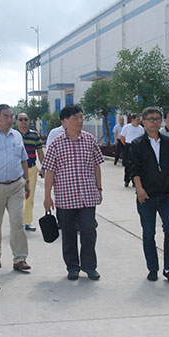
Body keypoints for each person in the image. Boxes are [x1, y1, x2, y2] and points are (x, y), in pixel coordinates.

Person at [43, 104, 104, 281]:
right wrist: (47, 196)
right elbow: (50, 172)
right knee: (68, 235)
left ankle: (89, 266)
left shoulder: (89, 139)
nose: (79, 121)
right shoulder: (56, 143)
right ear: (64, 121)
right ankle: (72, 267)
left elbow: (96, 165)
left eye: (81, 117)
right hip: (65, 197)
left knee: (89, 230)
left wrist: (99, 188)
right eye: (75, 118)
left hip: (87, 196)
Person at [128, 107, 169, 284]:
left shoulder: (168, 143)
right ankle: (153, 268)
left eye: (157, 119)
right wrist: (139, 189)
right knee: (148, 234)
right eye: (150, 119)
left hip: (166, 196)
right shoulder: (137, 144)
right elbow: (133, 168)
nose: (154, 122)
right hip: (147, 197)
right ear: (143, 122)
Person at [0, 104, 31, 272]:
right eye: (5, 116)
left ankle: (20, 258)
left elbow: (23, 159)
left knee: (18, 222)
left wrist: (27, 182)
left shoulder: (17, 136)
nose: (9, 120)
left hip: (16, 185)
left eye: (11, 116)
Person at [16, 112, 45, 231]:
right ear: (16, 121)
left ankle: (27, 222)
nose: (23, 121)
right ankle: (17, 222)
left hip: (31, 169)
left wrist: (43, 167)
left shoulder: (34, 135)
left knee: (29, 196)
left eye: (25, 119)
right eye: (21, 119)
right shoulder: (13, 135)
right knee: (17, 197)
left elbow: (40, 152)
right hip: (16, 171)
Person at [120, 114, 144, 187]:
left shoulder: (141, 128)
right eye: (137, 120)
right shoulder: (126, 127)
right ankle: (126, 180)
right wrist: (125, 145)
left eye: (139, 120)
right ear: (132, 120)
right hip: (128, 146)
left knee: (137, 164)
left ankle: (135, 181)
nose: (138, 121)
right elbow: (122, 137)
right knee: (127, 165)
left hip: (137, 147)